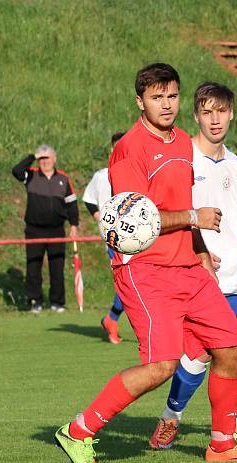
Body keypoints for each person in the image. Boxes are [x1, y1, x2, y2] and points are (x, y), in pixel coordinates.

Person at [54, 63, 237, 463]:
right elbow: (135, 221)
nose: (166, 105)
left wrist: (200, 248)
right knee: (161, 366)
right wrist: (193, 218)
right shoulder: (130, 149)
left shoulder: (183, 139)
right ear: (140, 101)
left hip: (187, 264)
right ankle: (78, 431)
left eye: (171, 96)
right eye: (156, 98)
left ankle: (222, 444)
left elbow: (189, 210)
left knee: (231, 346)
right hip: (145, 270)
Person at [148, 81, 237, 451]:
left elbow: (233, 225)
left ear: (232, 113)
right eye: (207, 112)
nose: (215, 119)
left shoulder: (235, 165)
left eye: (221, 111)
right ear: (196, 116)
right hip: (196, 276)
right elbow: (178, 216)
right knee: (203, 354)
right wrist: (196, 254)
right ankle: (171, 420)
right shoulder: (185, 159)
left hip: (229, 279)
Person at [11, 144, 79, 313]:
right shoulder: (31, 175)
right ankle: (35, 301)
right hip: (34, 230)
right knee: (33, 267)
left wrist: (74, 225)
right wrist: (33, 156)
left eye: (47, 157)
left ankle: (57, 302)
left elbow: (72, 204)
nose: (44, 161)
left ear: (54, 159)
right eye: (41, 159)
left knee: (57, 268)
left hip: (57, 230)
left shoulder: (63, 178)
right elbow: (16, 170)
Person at [83, 131, 127, 343]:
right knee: (128, 284)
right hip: (115, 240)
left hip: (139, 238)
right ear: (112, 149)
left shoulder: (139, 173)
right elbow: (89, 199)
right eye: (118, 146)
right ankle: (112, 319)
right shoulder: (102, 176)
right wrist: (98, 216)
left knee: (135, 284)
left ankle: (112, 319)